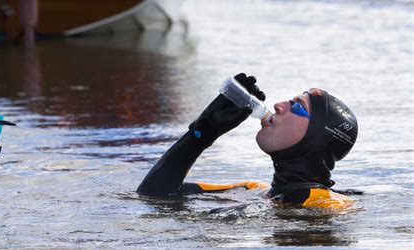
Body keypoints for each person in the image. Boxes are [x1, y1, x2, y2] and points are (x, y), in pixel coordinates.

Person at [137, 73, 361, 209]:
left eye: (297, 107)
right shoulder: (251, 189)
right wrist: (202, 134)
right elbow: (153, 195)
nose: (278, 105)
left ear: (318, 137)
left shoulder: (329, 204)